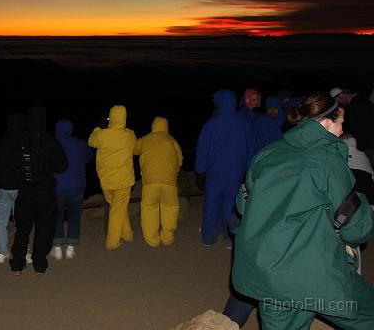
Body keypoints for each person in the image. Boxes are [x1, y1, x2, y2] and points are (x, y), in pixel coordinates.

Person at [233, 91, 374, 329]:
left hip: (269, 274)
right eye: (341, 122)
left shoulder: (266, 154)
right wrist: (364, 204)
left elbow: (243, 204)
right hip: (313, 275)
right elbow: (356, 228)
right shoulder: (327, 160)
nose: (342, 129)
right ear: (328, 121)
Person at [9, 106, 67, 274]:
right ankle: (39, 262)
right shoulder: (49, 140)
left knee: (22, 228)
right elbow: (62, 166)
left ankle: (17, 263)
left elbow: (12, 164)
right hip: (45, 192)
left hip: (25, 192)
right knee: (45, 227)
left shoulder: (20, 139)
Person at [195, 90, 253, 247]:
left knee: (211, 203)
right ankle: (230, 239)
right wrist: (248, 171)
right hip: (236, 172)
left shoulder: (211, 124)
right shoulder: (244, 124)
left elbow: (203, 149)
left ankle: (208, 238)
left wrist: (200, 169)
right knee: (232, 205)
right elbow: (250, 149)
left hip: (215, 173)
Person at [88, 105, 138, 250]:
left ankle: (127, 234)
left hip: (106, 180)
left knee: (117, 208)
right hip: (124, 180)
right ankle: (112, 242)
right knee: (118, 209)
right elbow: (135, 149)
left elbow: (91, 141)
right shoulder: (130, 134)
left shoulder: (102, 134)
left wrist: (99, 127)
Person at [133, 116, 183, 247]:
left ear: (153, 126)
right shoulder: (172, 140)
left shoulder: (146, 139)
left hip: (150, 181)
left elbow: (135, 149)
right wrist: (175, 169)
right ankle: (167, 237)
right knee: (170, 208)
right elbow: (180, 159)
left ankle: (152, 240)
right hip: (169, 182)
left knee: (149, 209)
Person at [0, 113, 25, 263]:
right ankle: (23, 251)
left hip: (2, 187)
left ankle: (2, 252)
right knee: (21, 222)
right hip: (21, 188)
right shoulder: (25, 142)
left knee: (0, 221)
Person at [51, 119, 93, 260]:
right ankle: (70, 249)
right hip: (76, 186)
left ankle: (57, 249)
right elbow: (89, 158)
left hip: (57, 187)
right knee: (74, 217)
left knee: (57, 216)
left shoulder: (52, 143)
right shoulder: (80, 143)